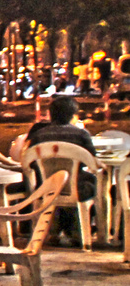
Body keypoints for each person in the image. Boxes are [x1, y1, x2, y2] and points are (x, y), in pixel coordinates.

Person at [21, 95, 96, 245]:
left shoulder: (39, 135)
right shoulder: (81, 134)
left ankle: (54, 230)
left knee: (65, 187)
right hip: (75, 187)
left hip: (44, 187)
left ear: (51, 114)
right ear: (74, 116)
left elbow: (29, 159)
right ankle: (81, 232)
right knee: (93, 182)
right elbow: (92, 160)